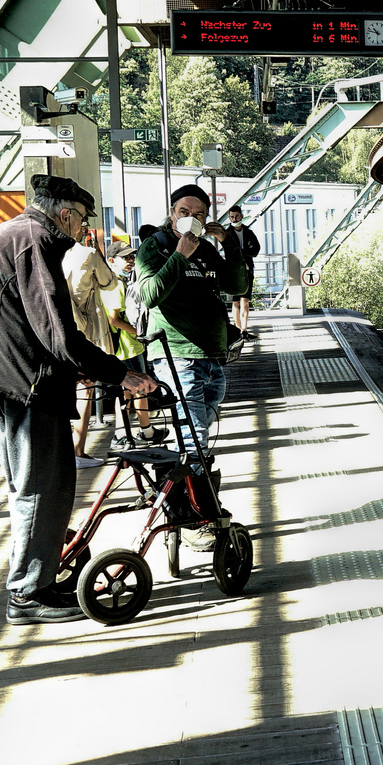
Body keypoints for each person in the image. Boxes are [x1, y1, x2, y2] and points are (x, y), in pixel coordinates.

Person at [0, 174, 157, 626]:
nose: (83, 229)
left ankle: (35, 579)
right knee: (45, 489)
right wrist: (122, 374)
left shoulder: (8, 235)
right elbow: (59, 335)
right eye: (81, 218)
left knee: (28, 488)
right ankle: (27, 593)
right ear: (64, 213)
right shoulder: (36, 243)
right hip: (24, 385)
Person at [133, 184, 248, 550]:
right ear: (171, 213)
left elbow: (238, 285)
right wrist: (180, 254)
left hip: (211, 356)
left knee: (198, 436)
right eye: (184, 211)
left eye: (198, 214)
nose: (191, 219)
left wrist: (228, 242)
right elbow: (150, 294)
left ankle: (197, 506)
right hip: (176, 353)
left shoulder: (208, 249)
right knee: (194, 436)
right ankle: (192, 518)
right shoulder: (157, 246)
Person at [63, 230, 118, 468]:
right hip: (84, 332)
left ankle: (61, 451)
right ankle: (78, 450)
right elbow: (110, 282)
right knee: (84, 390)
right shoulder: (88, 253)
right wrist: (99, 254)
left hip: (54, 330)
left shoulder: (49, 253)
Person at [102, 242, 165, 449]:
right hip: (127, 346)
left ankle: (122, 433)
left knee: (126, 391)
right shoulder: (116, 284)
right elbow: (113, 319)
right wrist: (140, 333)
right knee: (141, 388)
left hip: (124, 346)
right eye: (125, 258)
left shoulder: (116, 281)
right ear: (111, 261)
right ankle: (145, 431)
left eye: (131, 257)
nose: (130, 261)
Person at [222, 205, 261, 340]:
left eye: (236, 216)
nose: (234, 219)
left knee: (245, 301)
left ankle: (244, 329)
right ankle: (238, 330)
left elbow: (255, 250)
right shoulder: (227, 234)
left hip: (247, 270)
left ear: (241, 216)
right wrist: (245, 250)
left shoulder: (249, 232)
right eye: (232, 217)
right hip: (233, 271)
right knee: (236, 302)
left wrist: (239, 251)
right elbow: (229, 252)